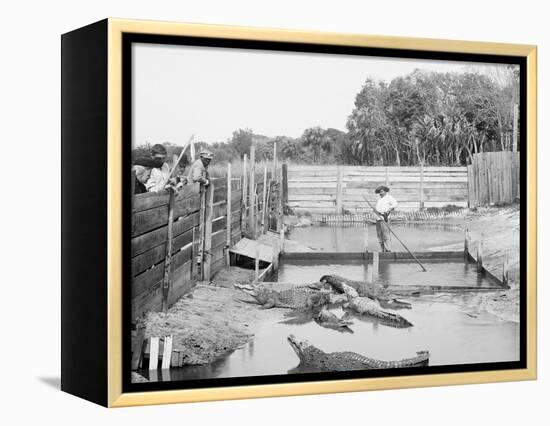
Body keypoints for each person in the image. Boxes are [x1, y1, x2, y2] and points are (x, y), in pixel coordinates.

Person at [373, 185, 398, 252]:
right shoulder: (379, 199)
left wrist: (389, 209)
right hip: (378, 219)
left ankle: (388, 250)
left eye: (382, 191)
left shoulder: (389, 197)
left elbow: (395, 203)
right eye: (379, 192)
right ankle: (382, 250)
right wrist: (375, 211)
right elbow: (377, 209)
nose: (380, 193)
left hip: (384, 218)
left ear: (385, 191)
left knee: (386, 235)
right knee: (379, 236)